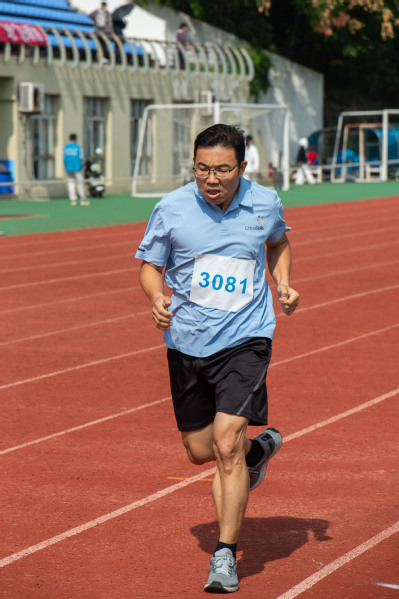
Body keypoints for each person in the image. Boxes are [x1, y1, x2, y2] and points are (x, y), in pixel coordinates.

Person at [135, 124, 299, 593]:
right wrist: (156, 296)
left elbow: (278, 242)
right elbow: (151, 265)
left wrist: (282, 282)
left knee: (227, 443)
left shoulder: (265, 202)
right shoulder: (171, 208)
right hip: (187, 342)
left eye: (222, 169)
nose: (211, 178)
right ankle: (259, 451)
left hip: (247, 337)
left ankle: (224, 556)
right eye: (202, 168)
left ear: (242, 168)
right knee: (199, 451)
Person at [63, 134, 89, 206]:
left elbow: (64, 158)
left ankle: (73, 200)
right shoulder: (78, 147)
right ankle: (83, 199)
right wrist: (83, 165)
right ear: (75, 139)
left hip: (68, 168)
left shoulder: (66, 148)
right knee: (80, 184)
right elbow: (82, 158)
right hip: (77, 168)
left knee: (70, 183)